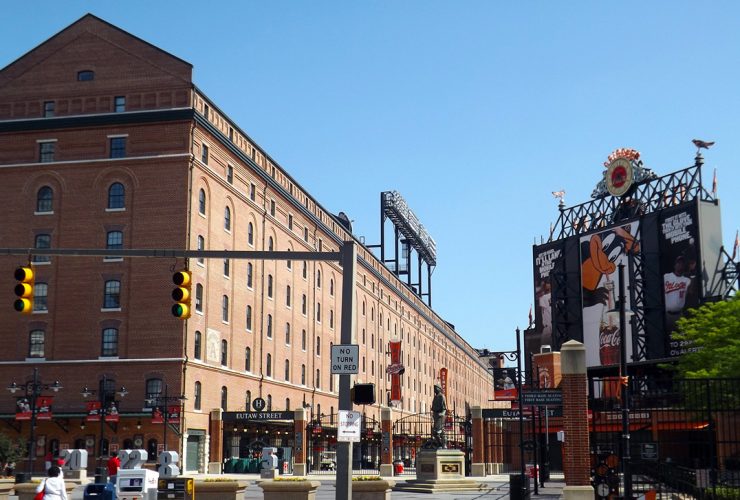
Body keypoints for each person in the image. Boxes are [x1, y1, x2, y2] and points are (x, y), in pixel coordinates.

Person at [431, 384, 447, 449]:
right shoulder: (435, 397)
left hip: (440, 416)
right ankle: (439, 444)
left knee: (438, 431)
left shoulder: (441, 396)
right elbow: (433, 407)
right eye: (434, 388)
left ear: (439, 389)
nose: (434, 390)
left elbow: (445, 408)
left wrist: (442, 414)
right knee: (435, 432)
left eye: (436, 388)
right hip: (435, 415)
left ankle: (443, 445)